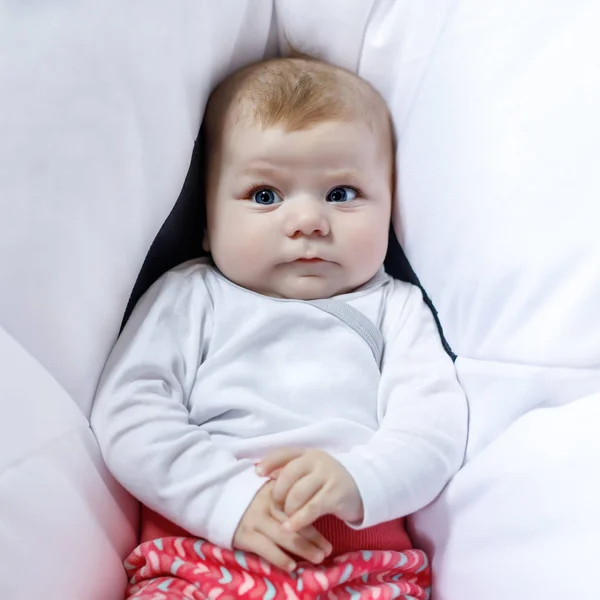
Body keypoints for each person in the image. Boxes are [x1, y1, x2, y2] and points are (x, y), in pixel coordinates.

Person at [91, 56, 468, 600]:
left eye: (341, 193)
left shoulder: (397, 308)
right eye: (265, 196)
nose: (308, 221)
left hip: (363, 564)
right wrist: (226, 498)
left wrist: (362, 478)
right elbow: (128, 411)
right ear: (206, 221)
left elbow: (433, 427)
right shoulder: (190, 296)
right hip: (201, 555)